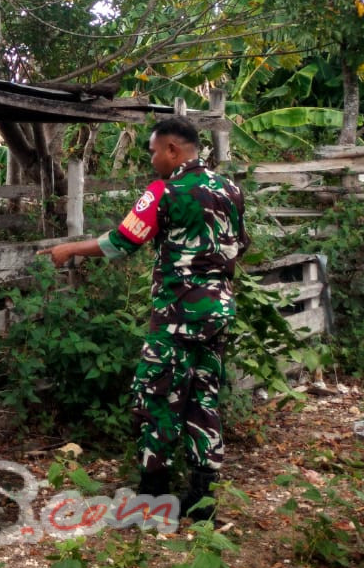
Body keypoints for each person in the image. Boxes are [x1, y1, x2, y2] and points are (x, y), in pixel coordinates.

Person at [39, 117, 248, 521]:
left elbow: (123, 242)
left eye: (153, 151)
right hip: (218, 311)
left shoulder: (164, 191)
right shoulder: (230, 189)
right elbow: (240, 246)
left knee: (155, 397)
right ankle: (202, 500)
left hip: (177, 314)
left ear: (172, 149)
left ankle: (153, 498)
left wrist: (71, 249)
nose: (151, 160)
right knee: (203, 397)